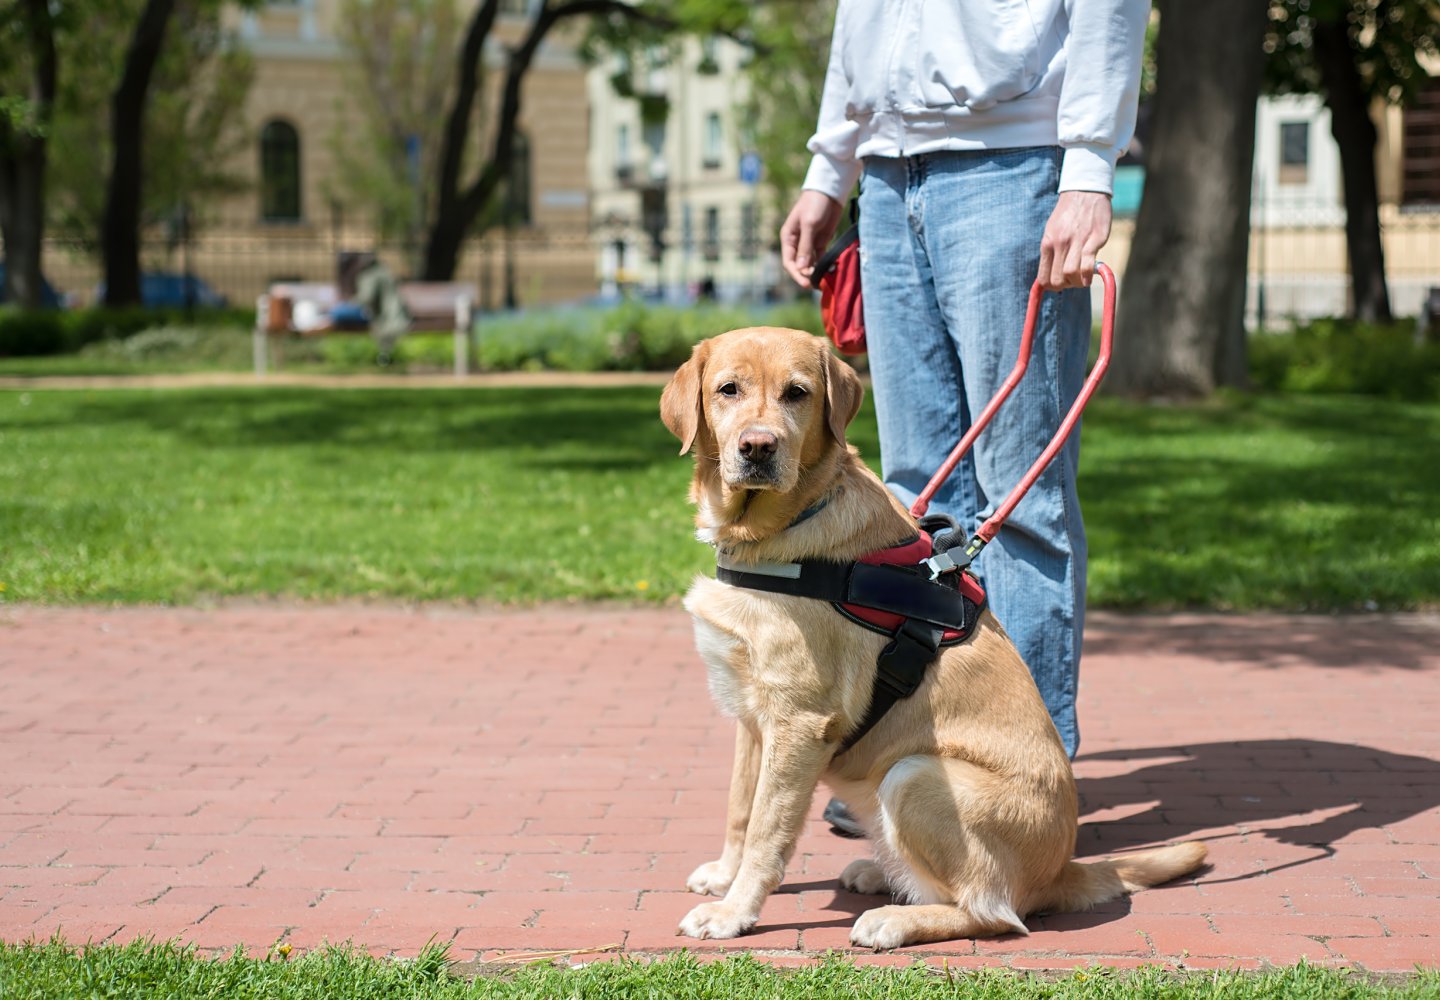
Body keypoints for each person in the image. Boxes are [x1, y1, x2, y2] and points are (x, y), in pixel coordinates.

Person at [780, 0, 1148, 835]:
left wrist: (1088, 170)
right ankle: (916, 761)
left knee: (1019, 500)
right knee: (916, 498)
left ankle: (1027, 782)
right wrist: (829, 168)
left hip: (1011, 167)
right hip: (887, 173)